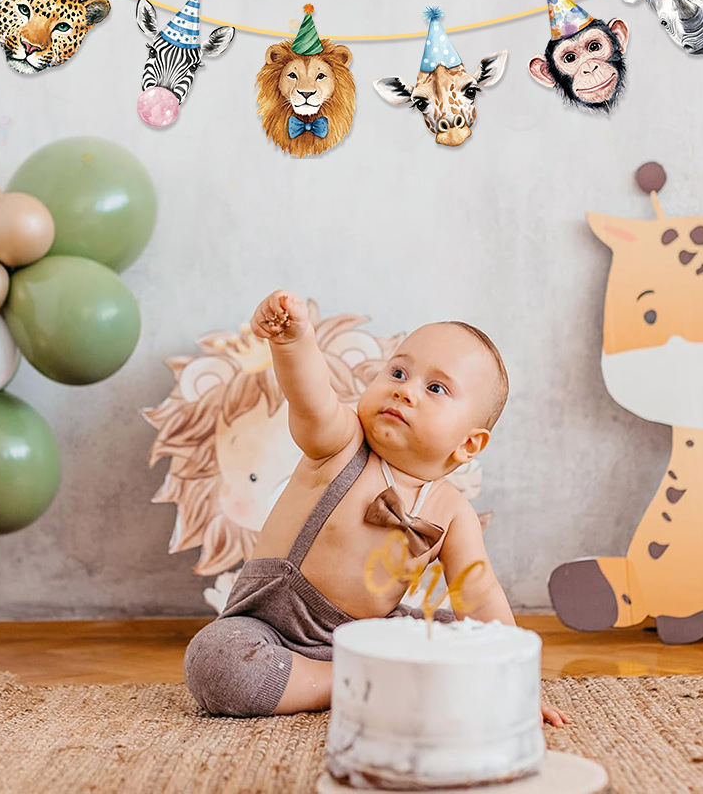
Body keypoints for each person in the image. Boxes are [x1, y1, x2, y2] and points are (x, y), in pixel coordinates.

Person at [185, 289, 568, 726]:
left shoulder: (452, 511)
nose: (405, 391)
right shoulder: (342, 444)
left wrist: (514, 685)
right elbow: (311, 400)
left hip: (366, 635)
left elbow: (478, 599)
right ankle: (355, 680)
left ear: (469, 444)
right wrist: (293, 342)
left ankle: (375, 669)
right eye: (399, 372)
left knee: (455, 633)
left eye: (435, 388)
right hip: (270, 627)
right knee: (216, 661)